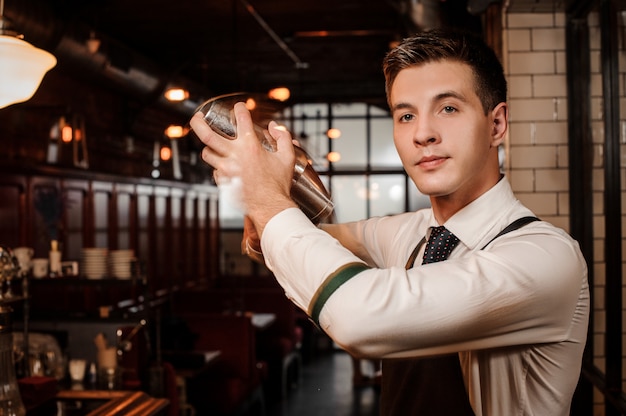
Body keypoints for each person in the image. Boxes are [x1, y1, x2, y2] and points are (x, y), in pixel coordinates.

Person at [190, 29, 590, 416]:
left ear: (496, 124)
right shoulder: (411, 234)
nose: (423, 133)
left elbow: (358, 317)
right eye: (405, 116)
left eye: (448, 108)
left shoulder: (545, 257)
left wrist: (267, 199)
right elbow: (296, 244)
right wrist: (270, 182)